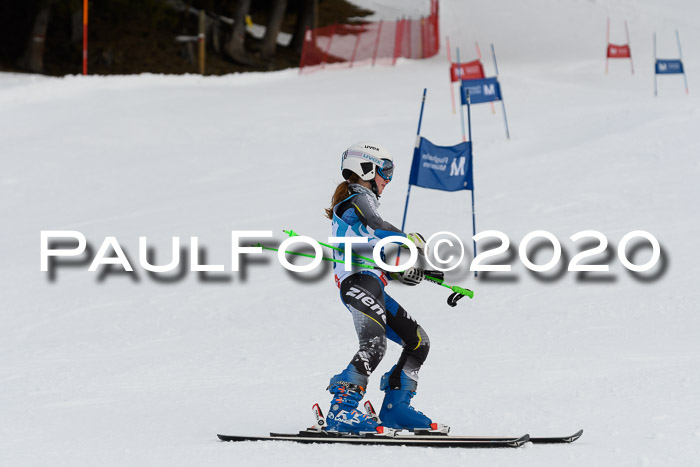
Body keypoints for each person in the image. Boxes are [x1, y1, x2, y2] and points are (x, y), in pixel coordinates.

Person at [323, 141, 440, 434]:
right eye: (385, 171)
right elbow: (376, 224)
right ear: (366, 168)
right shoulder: (354, 196)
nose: (388, 179)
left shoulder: (365, 200)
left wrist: (405, 273)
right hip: (357, 282)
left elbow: (374, 253)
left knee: (418, 342)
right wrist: (407, 238)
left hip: (373, 284)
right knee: (374, 344)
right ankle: (341, 409)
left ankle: (395, 408)